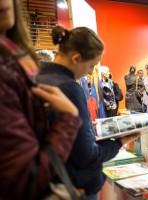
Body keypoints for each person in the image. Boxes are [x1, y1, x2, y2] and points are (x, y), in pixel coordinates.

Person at [36, 25, 140, 200]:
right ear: (76, 58)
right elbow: (87, 155)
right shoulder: (69, 87)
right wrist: (118, 142)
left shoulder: (37, 79)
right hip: (73, 184)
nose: (91, 72)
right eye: (91, 65)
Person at [0, 0, 82, 199]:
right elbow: (27, 178)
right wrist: (69, 117)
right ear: (77, 59)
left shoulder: (17, 63)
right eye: (91, 67)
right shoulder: (8, 71)